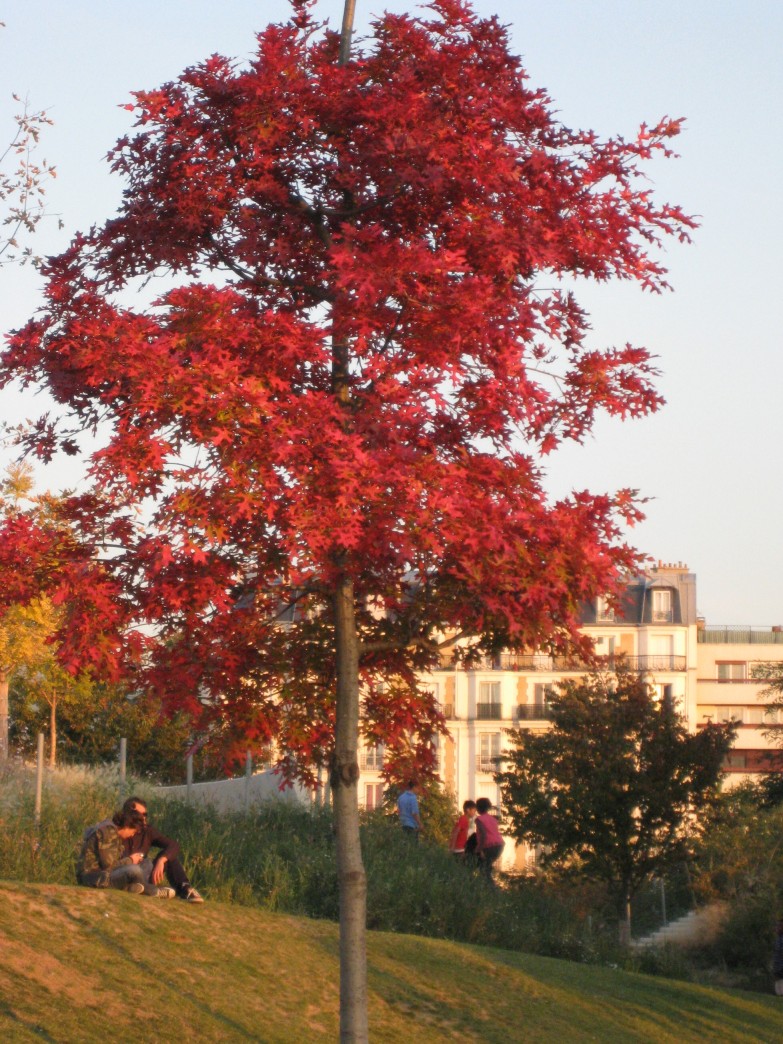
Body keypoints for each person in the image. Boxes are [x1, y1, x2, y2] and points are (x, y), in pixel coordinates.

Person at [121, 795, 204, 903]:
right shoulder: (117, 831)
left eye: (145, 815)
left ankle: (186, 889)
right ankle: (149, 890)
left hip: (144, 873)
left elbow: (173, 845)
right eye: (140, 815)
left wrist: (162, 860)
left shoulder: (147, 831)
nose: (143, 818)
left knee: (168, 857)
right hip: (122, 874)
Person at [76, 807, 175, 897]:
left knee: (146, 863)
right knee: (134, 870)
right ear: (127, 826)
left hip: (106, 873)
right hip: (96, 877)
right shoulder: (108, 832)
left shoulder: (113, 831)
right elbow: (109, 866)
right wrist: (130, 860)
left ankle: (132, 887)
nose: (132, 835)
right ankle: (153, 891)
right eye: (133, 831)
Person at [474, 797, 505, 883]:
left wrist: (479, 849)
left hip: (490, 846)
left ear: (478, 808)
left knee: (484, 870)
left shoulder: (479, 820)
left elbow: (483, 835)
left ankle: (492, 889)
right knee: (486, 867)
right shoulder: (493, 819)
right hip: (500, 845)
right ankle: (489, 887)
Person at [774, 918, 783, 995]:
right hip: (778, 966)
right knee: (778, 981)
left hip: (781, 966)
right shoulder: (778, 939)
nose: (776, 928)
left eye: (779, 926)